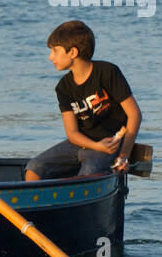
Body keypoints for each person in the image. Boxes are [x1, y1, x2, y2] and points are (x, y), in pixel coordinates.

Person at [24, 20, 141, 180]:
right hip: (81, 143)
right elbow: (72, 133)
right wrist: (94, 145)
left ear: (72, 52)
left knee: (88, 173)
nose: (51, 57)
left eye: (55, 51)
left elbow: (134, 115)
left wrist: (123, 155)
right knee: (34, 166)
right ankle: (34, 204)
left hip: (109, 145)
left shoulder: (108, 72)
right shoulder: (63, 87)